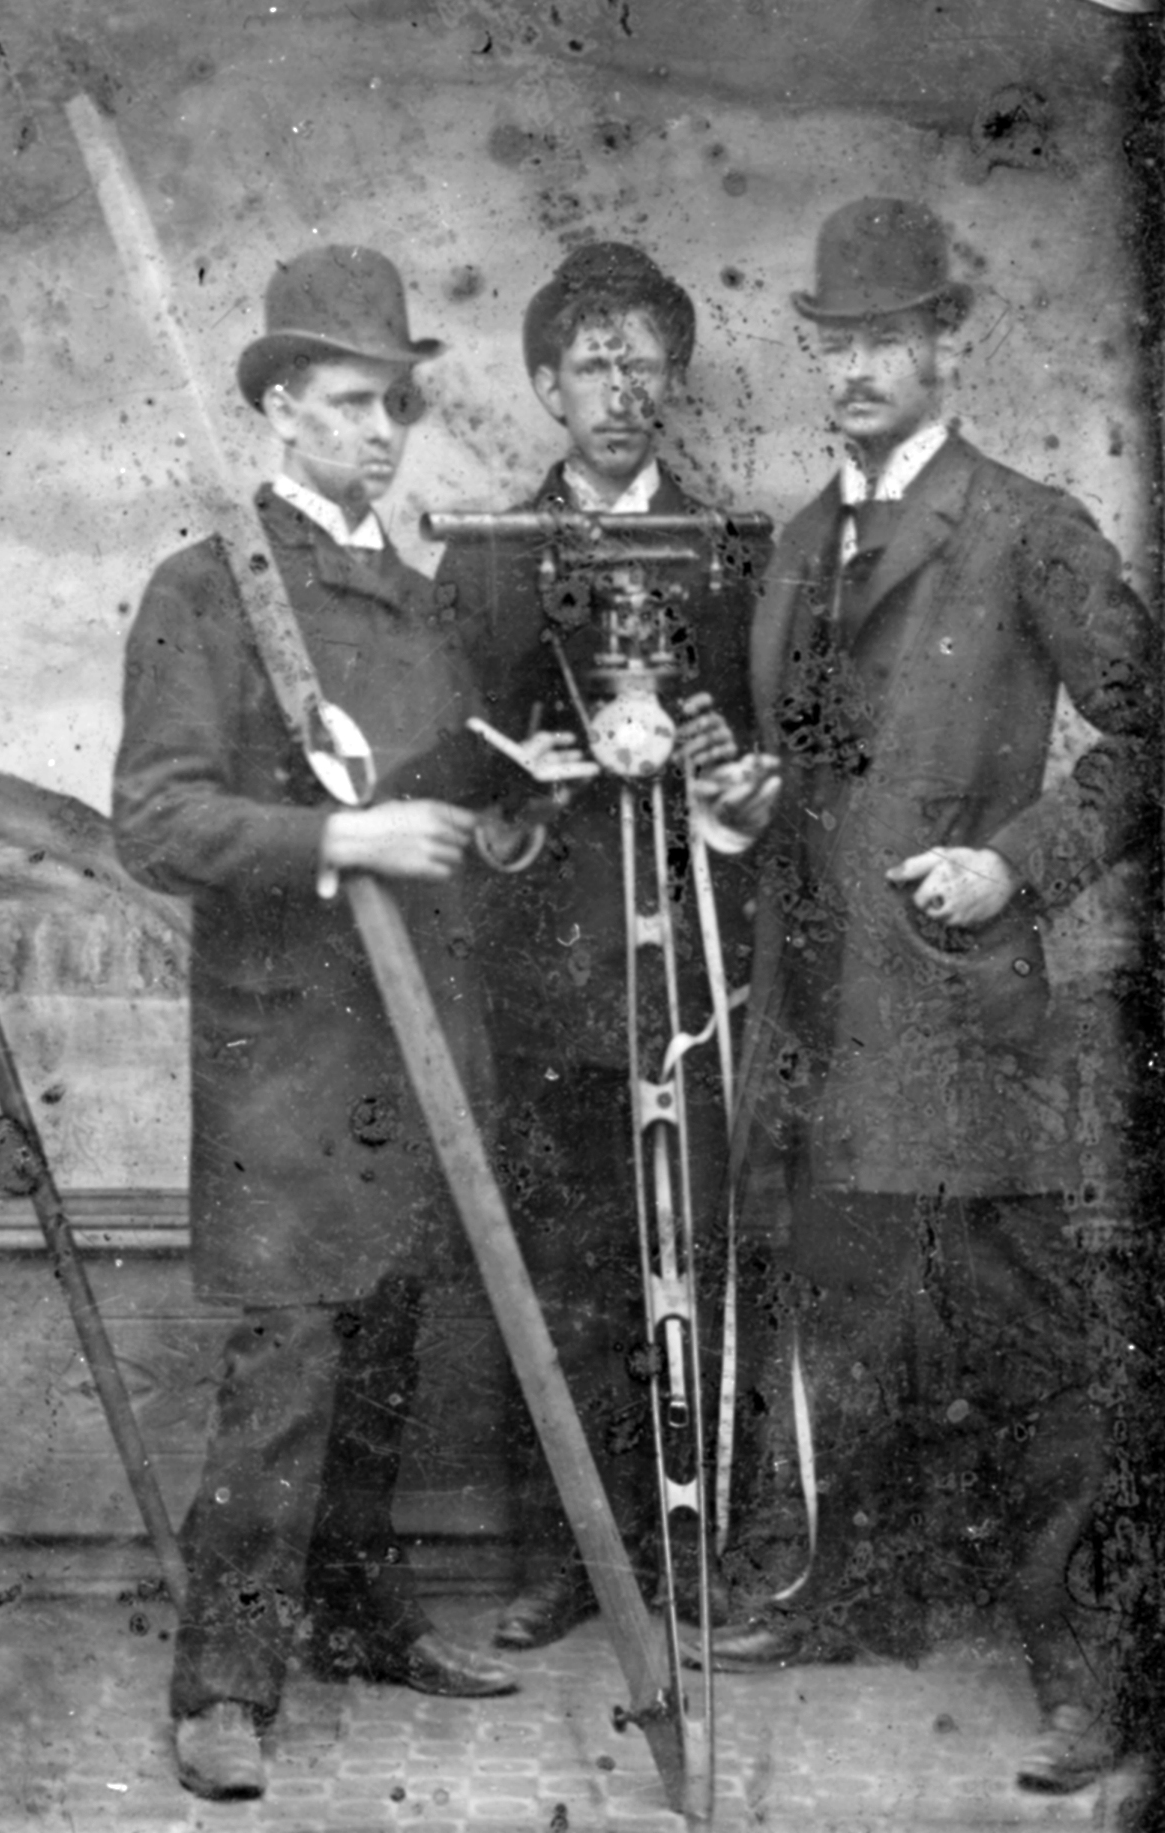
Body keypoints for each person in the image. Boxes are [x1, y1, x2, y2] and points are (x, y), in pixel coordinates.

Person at [113, 244, 586, 1802]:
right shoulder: (212, 590)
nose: (381, 432)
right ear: (276, 415)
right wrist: (342, 841)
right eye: (348, 403)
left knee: (389, 1343)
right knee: (292, 1366)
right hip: (289, 1053)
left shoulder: (420, 592)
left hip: (420, 1037)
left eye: (396, 404)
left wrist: (489, 828)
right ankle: (224, 1684)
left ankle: (361, 1617)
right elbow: (158, 820)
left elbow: (436, 791)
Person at [706, 197, 1158, 1795]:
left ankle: (1099, 1680)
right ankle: (836, 1597)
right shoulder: (796, 538)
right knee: (840, 1329)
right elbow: (827, 772)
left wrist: (1015, 867)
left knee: (1039, 1358)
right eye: (831, 342)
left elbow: (1144, 734)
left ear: (945, 344)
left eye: (885, 339)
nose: (853, 369)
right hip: (818, 1021)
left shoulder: (1028, 525)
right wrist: (751, 797)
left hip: (964, 1017)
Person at [435, 242, 767, 1650]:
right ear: (544, 386)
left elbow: (782, 750)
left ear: (673, 381)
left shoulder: (741, 553)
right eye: (592, 365)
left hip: (692, 974)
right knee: (565, 1259)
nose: (621, 391)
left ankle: (696, 1549)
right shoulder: (484, 558)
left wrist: (724, 766)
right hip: (547, 974)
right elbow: (453, 756)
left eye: (644, 363)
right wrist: (520, 791)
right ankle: (574, 1553)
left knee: (692, 1251)